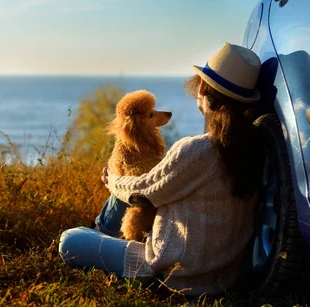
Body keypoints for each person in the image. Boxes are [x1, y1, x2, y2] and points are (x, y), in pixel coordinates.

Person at [59, 43, 265, 295]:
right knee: (128, 189)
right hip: (226, 275)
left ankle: (100, 233)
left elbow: (143, 194)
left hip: (174, 274)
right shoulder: (255, 147)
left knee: (70, 238)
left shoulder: (196, 150)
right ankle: (102, 233)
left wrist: (112, 180)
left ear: (202, 88)